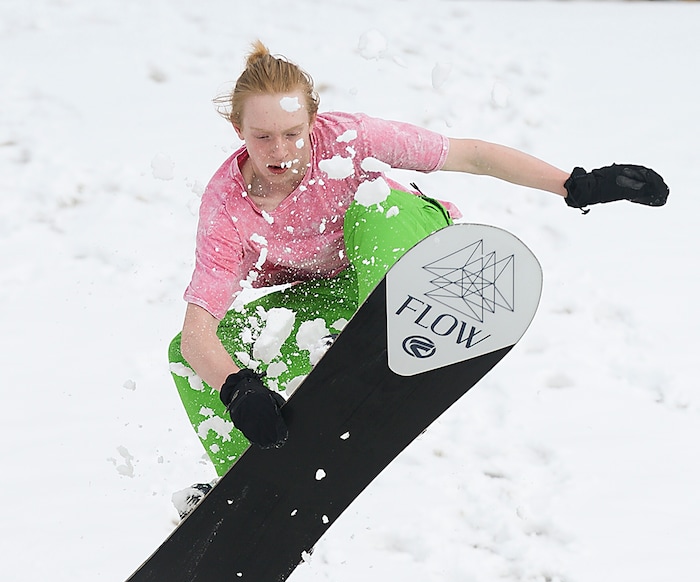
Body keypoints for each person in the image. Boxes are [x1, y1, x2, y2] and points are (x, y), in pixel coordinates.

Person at [169, 41, 668, 516]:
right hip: (350, 297)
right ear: (238, 129)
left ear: (312, 121)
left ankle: (387, 342)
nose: (280, 151)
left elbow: (468, 154)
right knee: (192, 355)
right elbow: (198, 332)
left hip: (418, 258)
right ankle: (255, 477)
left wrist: (574, 185)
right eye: (262, 136)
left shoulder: (350, 139)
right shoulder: (226, 207)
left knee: (373, 209)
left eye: (293, 133)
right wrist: (238, 389)